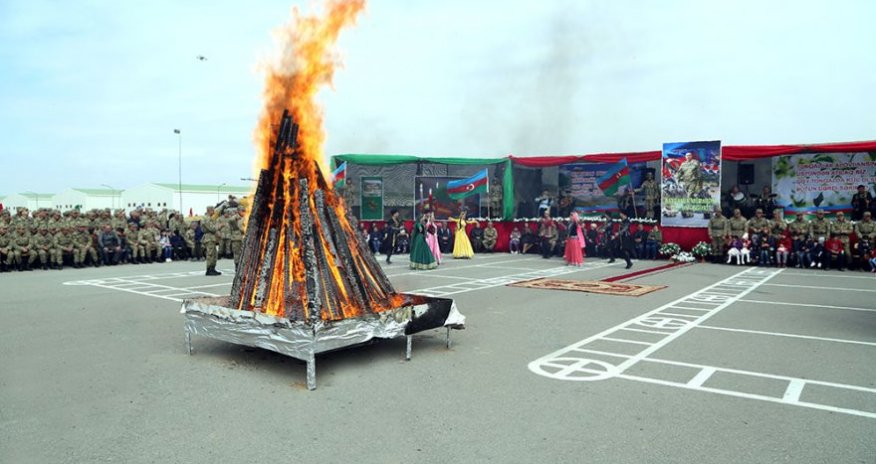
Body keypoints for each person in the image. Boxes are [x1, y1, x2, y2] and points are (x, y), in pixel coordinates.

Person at [202, 206, 221, 275]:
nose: (214, 212)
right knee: (210, 254)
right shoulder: (206, 218)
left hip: (212, 237)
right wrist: (218, 227)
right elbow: (212, 228)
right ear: (209, 210)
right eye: (213, 210)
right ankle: (209, 269)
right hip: (209, 237)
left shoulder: (210, 218)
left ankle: (213, 268)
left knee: (214, 254)